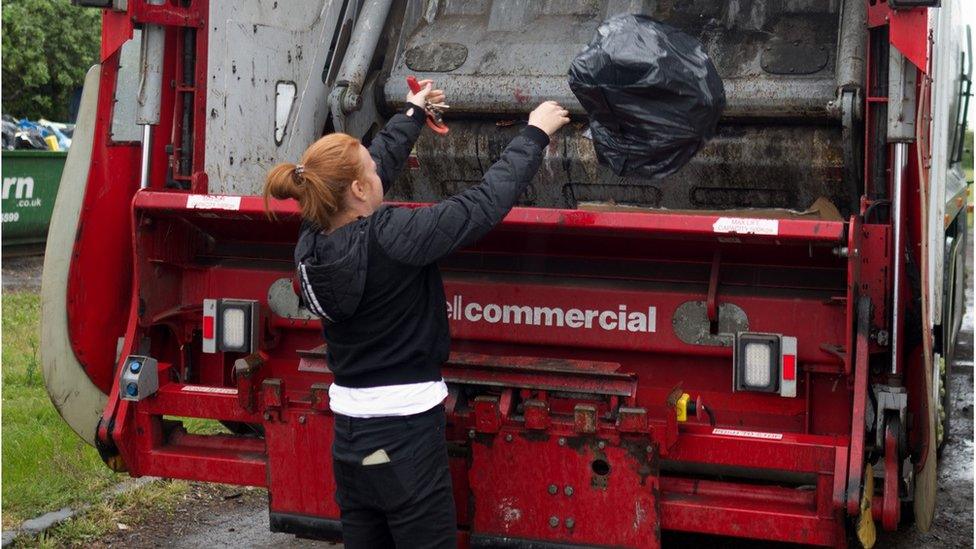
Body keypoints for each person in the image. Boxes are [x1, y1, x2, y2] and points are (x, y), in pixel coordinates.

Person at [264, 79, 570, 549]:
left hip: (349, 437)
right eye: (370, 168)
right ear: (361, 188)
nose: (379, 168)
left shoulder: (311, 238)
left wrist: (411, 113)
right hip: (404, 437)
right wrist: (534, 133)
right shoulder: (392, 237)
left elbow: (369, 170)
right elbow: (482, 205)